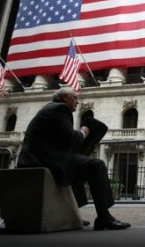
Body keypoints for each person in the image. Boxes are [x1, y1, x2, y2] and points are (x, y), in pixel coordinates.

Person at [17, 87, 130, 231]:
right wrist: (83, 132)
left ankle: (71, 215)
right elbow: (71, 138)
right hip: (42, 161)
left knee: (81, 165)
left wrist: (89, 146)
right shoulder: (59, 109)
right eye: (75, 98)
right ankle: (104, 216)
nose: (77, 102)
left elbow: (65, 145)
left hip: (43, 158)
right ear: (65, 98)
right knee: (97, 165)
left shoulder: (51, 109)